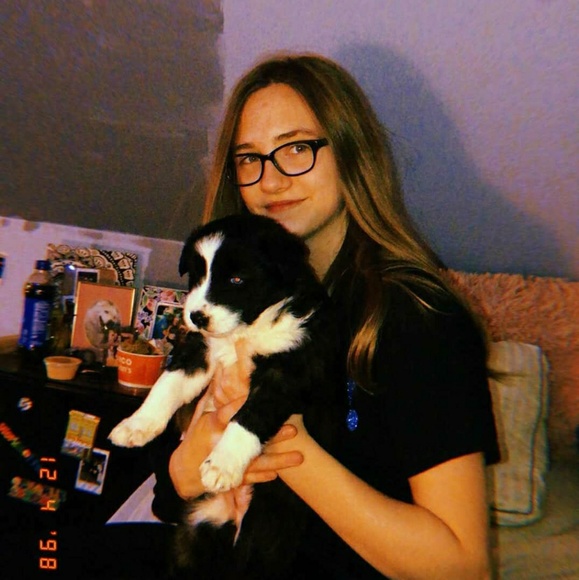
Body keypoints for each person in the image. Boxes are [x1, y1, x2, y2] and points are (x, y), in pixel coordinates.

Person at [151, 52, 500, 579]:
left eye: (296, 149)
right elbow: (169, 493)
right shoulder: (230, 298)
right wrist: (185, 466)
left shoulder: (419, 318)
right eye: (249, 159)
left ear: (351, 152)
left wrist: (275, 434)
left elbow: (462, 567)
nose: (270, 181)